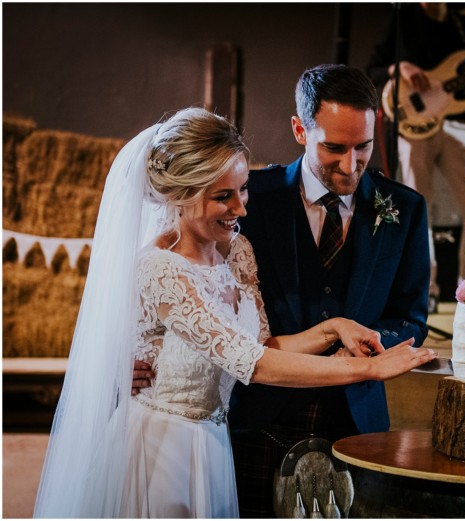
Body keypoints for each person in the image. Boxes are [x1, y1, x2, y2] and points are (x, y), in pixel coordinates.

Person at [33, 107, 437, 518]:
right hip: (162, 450)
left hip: (213, 444)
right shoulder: (161, 269)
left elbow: (262, 344)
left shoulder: (236, 250)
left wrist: (333, 328)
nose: (241, 208)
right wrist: (369, 370)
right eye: (223, 196)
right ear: (180, 195)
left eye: (243, 189)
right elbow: (253, 364)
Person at [226, 65, 431, 517]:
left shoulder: (406, 209)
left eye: (364, 147)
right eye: (334, 148)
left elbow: (412, 317)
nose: (352, 164)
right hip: (261, 415)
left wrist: (367, 350)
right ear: (300, 130)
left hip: (357, 422)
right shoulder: (250, 199)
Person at [365, 3, 465, 311]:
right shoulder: (401, 16)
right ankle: (424, 291)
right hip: (413, 126)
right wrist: (399, 69)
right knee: (415, 206)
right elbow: (372, 67)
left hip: (457, 120)